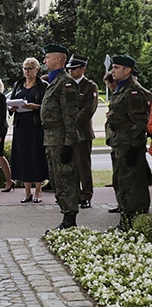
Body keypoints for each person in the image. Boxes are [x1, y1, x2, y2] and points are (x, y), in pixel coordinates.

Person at [105, 54, 152, 229]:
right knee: (121, 182)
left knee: (133, 184)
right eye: (113, 67)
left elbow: (141, 121)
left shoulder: (134, 91)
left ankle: (136, 221)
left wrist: (134, 145)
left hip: (129, 145)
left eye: (117, 68)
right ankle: (126, 220)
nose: (113, 71)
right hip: (119, 143)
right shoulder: (121, 88)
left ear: (128, 70)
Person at [39, 43, 81, 230]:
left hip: (61, 138)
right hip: (51, 138)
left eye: (47, 57)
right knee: (56, 179)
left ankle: (70, 219)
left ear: (58, 60)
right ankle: (65, 215)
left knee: (66, 178)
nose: (44, 60)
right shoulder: (54, 82)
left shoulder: (66, 82)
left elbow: (70, 115)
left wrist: (69, 143)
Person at [10, 57, 49, 204]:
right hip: (21, 125)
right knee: (23, 157)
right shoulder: (18, 84)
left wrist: (36, 107)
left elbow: (47, 106)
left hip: (36, 125)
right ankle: (27, 192)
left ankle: (38, 191)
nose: (27, 71)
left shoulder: (42, 85)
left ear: (37, 70)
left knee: (36, 157)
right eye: (25, 68)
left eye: (30, 68)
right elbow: (12, 100)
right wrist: (12, 108)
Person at [65, 54, 99, 209]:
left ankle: (86, 195)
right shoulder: (67, 84)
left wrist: (72, 123)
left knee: (83, 165)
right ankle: (75, 194)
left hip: (82, 132)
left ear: (82, 69)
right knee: (71, 166)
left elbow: (88, 110)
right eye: (69, 68)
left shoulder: (90, 86)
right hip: (67, 132)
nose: (71, 71)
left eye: (74, 68)